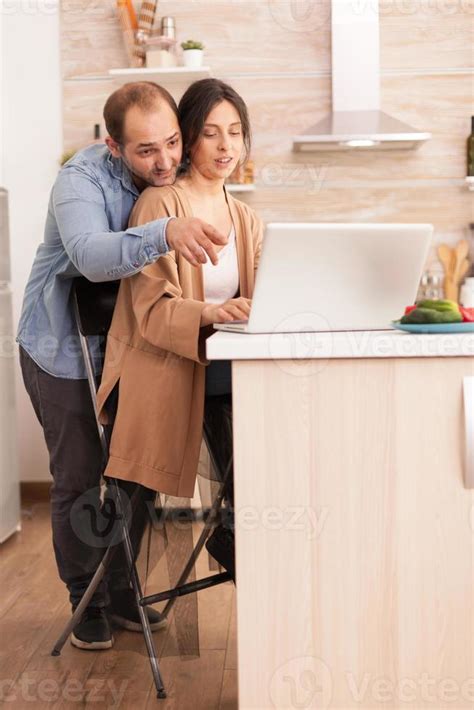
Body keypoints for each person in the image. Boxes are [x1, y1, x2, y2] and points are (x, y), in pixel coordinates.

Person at [17, 81, 228, 651]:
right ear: (113, 146)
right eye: (145, 151)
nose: (164, 162)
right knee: (82, 475)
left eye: (172, 143)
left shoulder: (175, 184)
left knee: (135, 469)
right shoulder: (79, 181)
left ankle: (120, 589)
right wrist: (165, 231)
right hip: (61, 348)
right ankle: (83, 597)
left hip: (133, 346)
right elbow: (90, 257)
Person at [96, 78, 263, 582]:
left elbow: (263, 297)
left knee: (279, 414)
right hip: (165, 368)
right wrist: (213, 313)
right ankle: (236, 529)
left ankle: (240, 530)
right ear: (187, 138)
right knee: (131, 504)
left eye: (235, 132)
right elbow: (150, 311)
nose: (226, 146)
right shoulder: (158, 206)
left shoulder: (247, 219)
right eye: (211, 133)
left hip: (223, 368)